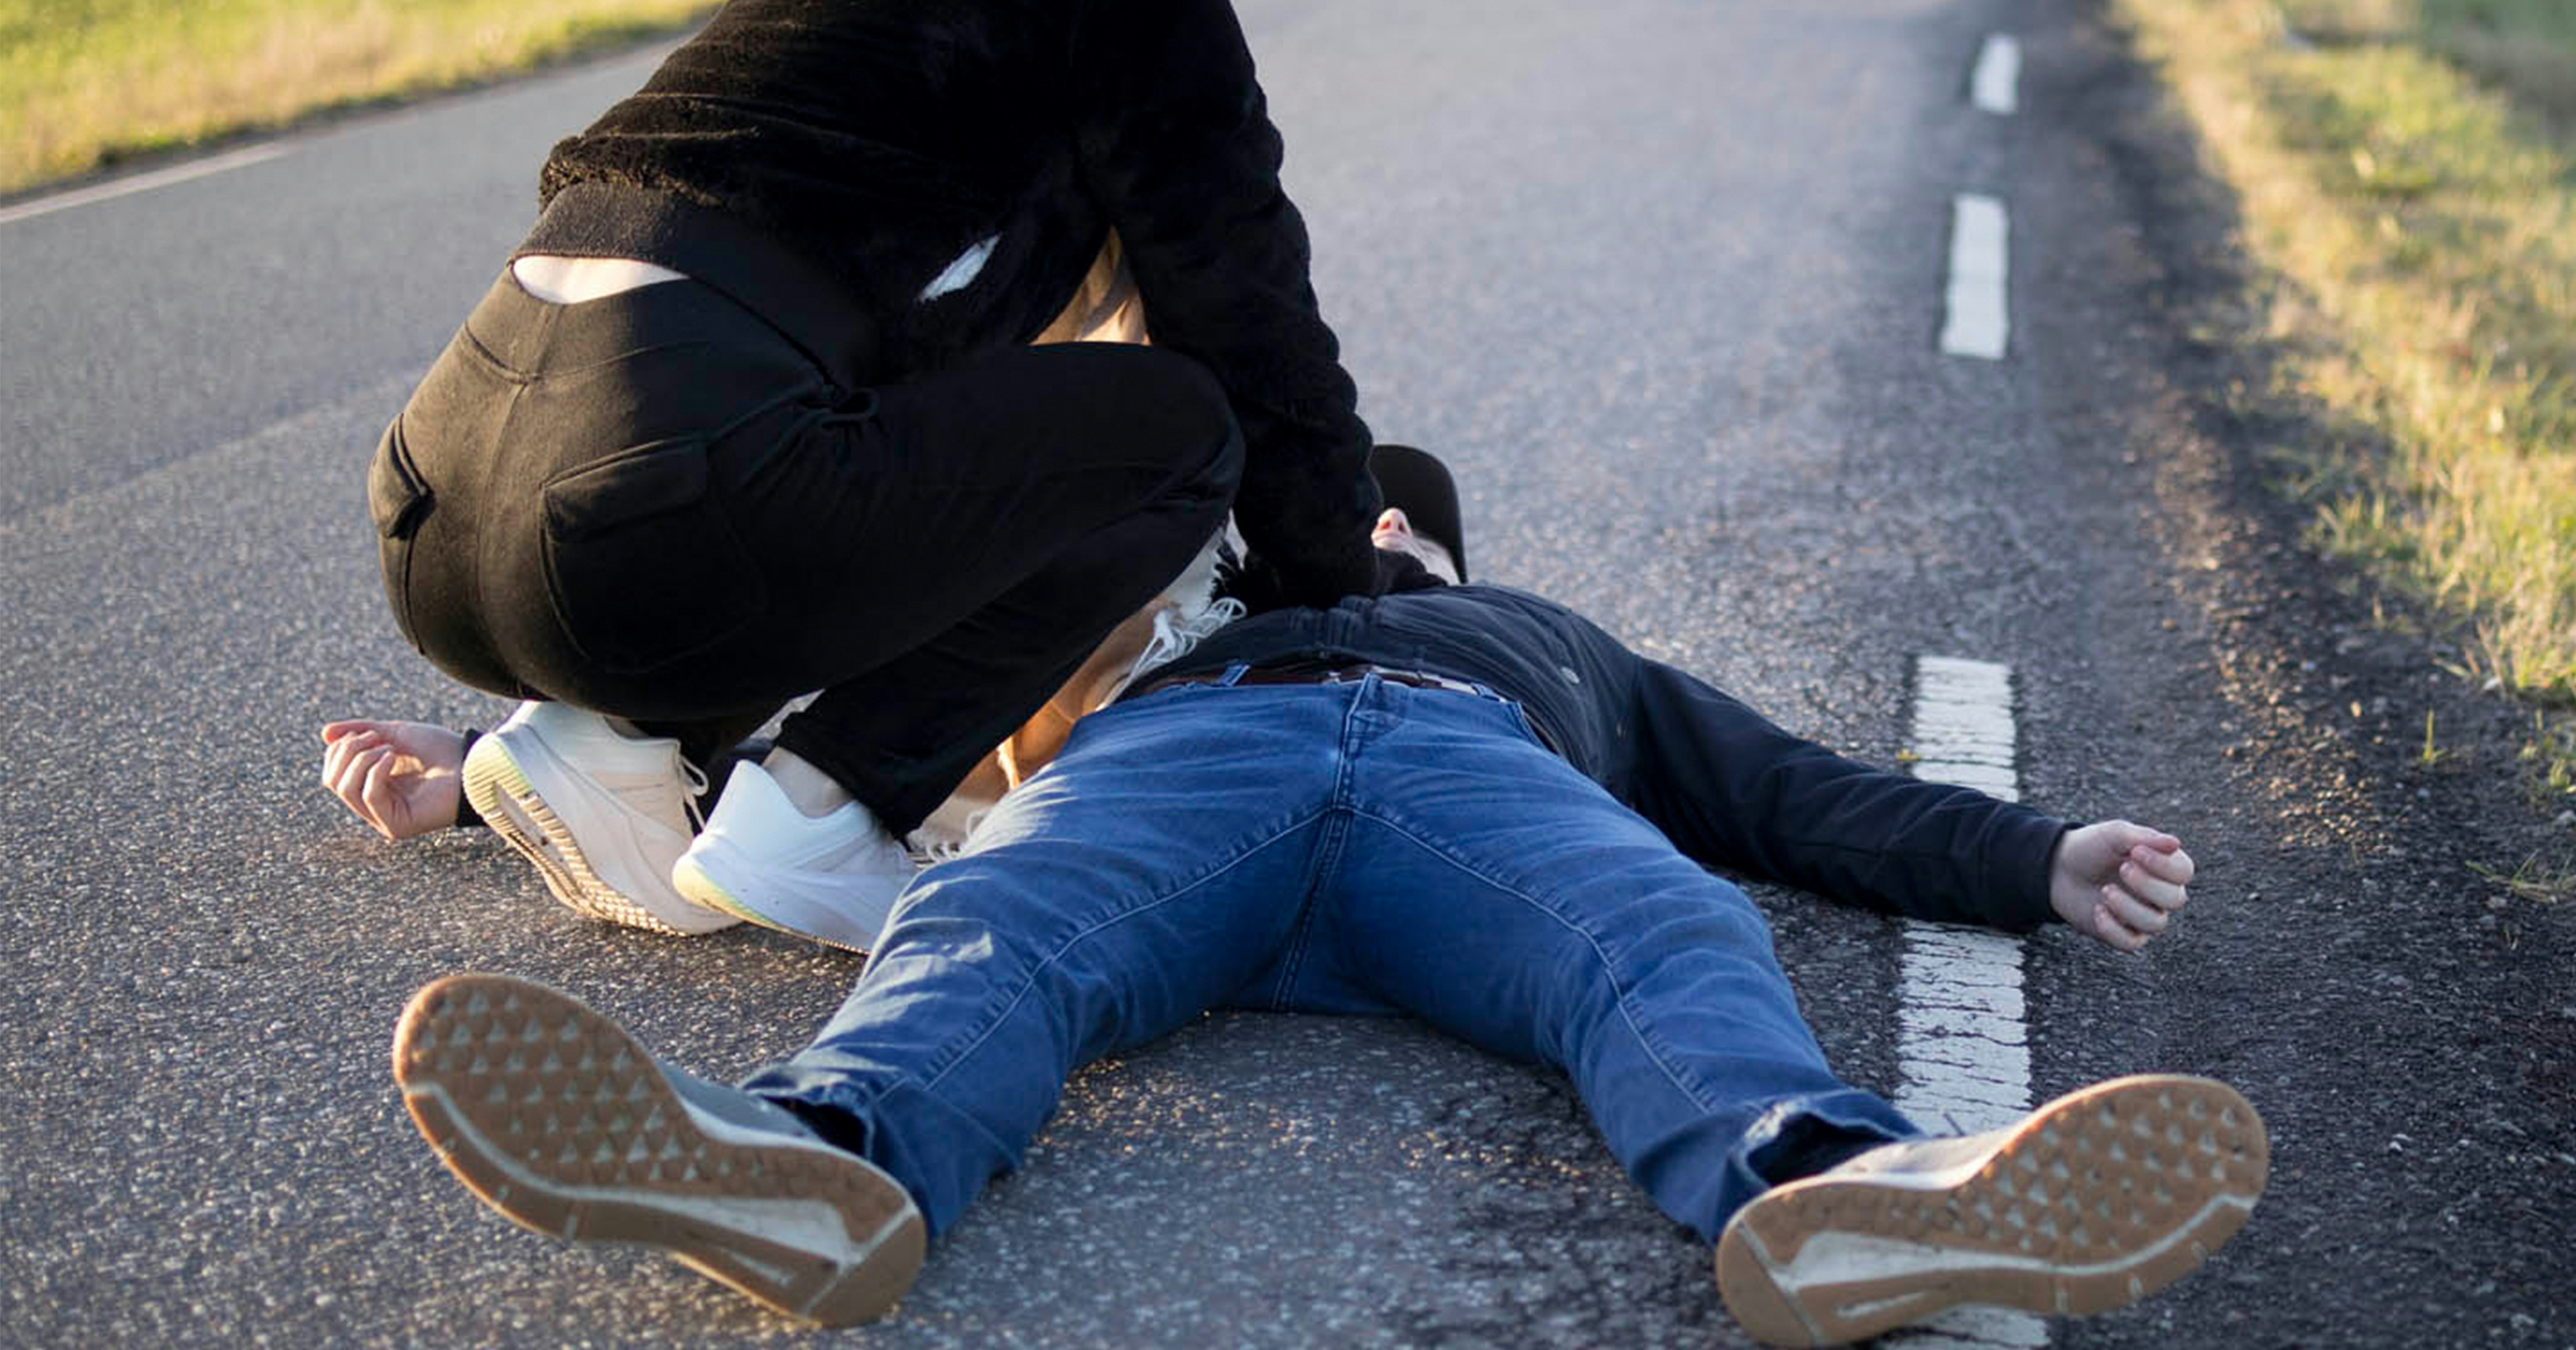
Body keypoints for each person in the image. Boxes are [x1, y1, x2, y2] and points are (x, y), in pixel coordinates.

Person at [386, 476, 2265, 1346]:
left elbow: (1786, 797)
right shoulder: (1154, 643)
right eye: (1332, 509)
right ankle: (824, 1153)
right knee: (993, 915)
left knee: (1668, 925)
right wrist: (482, 771)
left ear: (1445, 549)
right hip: (1186, 773)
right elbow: (825, 720)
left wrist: (2033, 853)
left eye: (1394, 517)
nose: (1364, 530)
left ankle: (1823, 1185)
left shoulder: (1544, 644)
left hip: (1470, 799)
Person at [362, 0, 1410, 955]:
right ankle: (822, 808)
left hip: (442, 510)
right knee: (1182, 428)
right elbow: (1252, 319)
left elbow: (900, 473)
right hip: (646, 509)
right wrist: (1343, 587)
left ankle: (598, 737)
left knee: (846, 436)